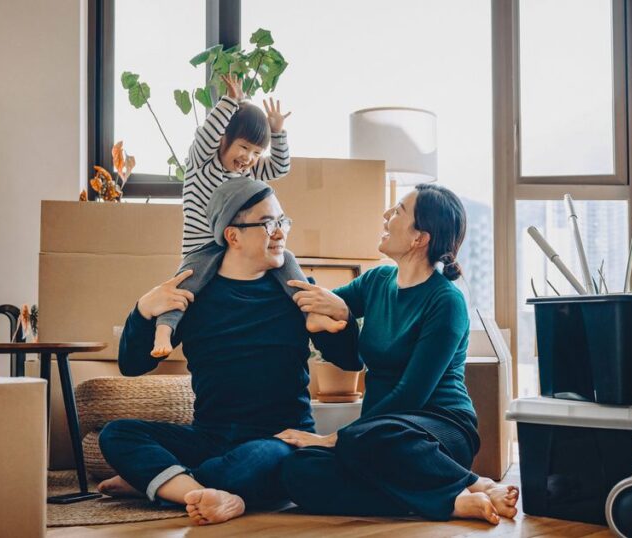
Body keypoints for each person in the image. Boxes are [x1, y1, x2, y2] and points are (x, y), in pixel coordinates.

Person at [96, 179, 362, 526]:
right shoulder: (194, 295)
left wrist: (342, 317)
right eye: (269, 224)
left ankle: (167, 483)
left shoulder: (297, 292)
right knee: (116, 433)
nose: (280, 233)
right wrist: (144, 310)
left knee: (253, 463)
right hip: (209, 435)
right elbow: (132, 365)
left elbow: (350, 360)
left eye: (283, 221)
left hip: (279, 437)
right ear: (232, 236)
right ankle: (202, 490)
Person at [275, 184, 520, 524]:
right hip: (376, 433)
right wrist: (338, 313)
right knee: (298, 471)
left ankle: (472, 483)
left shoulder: (446, 302)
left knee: (369, 437)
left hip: (436, 429)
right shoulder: (377, 281)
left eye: (399, 211)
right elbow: (329, 317)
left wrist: (333, 438)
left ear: (420, 237)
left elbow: (411, 394)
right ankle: (452, 501)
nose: (387, 215)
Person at [152, 73, 342, 359]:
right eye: (243, 147)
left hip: (236, 248)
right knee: (181, 288)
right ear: (224, 139)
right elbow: (205, 137)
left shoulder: (248, 173)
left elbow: (279, 167)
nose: (248, 157)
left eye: (256, 152)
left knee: (286, 260)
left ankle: (309, 316)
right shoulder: (202, 165)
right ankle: (163, 331)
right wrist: (230, 103)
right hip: (202, 249)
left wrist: (277, 132)